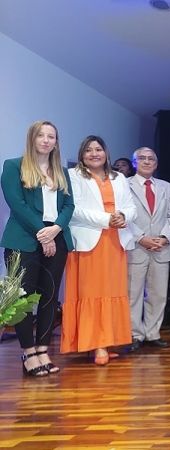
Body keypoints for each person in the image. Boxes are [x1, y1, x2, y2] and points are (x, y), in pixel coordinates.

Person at [1, 120, 73, 376]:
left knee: (49, 297)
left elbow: (69, 206)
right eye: (40, 135)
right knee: (23, 299)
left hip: (57, 237)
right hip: (23, 239)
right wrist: (44, 234)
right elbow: (17, 205)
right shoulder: (13, 166)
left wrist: (56, 229)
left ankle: (43, 350)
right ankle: (28, 353)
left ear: (56, 142)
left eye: (51, 136)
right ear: (32, 138)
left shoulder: (62, 171)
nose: (45, 140)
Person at [61, 135, 137, 365]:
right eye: (88, 150)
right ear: (82, 155)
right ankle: (97, 345)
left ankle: (108, 340)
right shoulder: (73, 175)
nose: (94, 154)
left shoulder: (119, 177)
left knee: (112, 292)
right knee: (91, 293)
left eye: (98, 149)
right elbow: (73, 209)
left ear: (106, 153)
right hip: (89, 241)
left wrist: (123, 216)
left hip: (116, 241)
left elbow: (131, 206)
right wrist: (107, 219)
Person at [126, 147, 170, 351]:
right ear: (134, 163)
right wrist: (141, 238)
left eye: (151, 159)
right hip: (136, 247)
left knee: (158, 294)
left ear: (156, 164)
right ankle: (134, 335)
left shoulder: (167, 187)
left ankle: (152, 333)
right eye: (142, 158)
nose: (147, 161)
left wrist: (164, 238)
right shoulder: (124, 185)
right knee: (133, 294)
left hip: (161, 248)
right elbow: (123, 217)